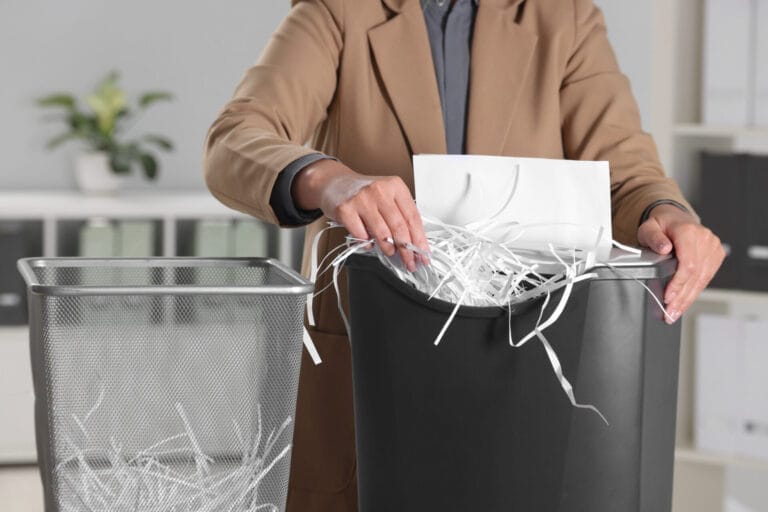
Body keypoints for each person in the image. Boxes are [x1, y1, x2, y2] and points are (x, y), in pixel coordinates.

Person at [203, 0, 725, 509]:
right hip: (373, 361)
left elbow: (627, 172)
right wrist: (328, 180)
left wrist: (668, 212)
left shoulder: (563, 16)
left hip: (520, 353)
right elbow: (234, 141)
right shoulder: (338, 10)